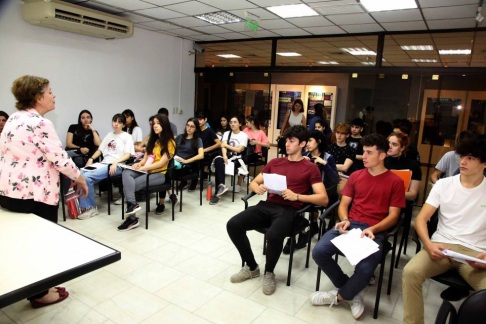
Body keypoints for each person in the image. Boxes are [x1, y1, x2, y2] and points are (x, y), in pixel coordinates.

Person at [0, 75, 88, 309]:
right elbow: (60, 158)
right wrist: (80, 178)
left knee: (24, 244)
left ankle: (35, 287)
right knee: (41, 244)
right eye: (50, 91)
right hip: (35, 195)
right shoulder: (40, 123)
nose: (54, 94)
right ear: (38, 97)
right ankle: (40, 294)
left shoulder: (13, 120)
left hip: (11, 193)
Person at [311, 134, 406, 320]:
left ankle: (339, 296)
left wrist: (374, 229)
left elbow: (394, 216)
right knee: (319, 251)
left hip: (374, 230)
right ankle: (352, 291)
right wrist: (345, 219)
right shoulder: (356, 176)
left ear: (382, 156)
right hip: (351, 225)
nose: (364, 156)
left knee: (365, 269)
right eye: (363, 152)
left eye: (369, 152)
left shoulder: (395, 182)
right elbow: (344, 204)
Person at [226, 125, 328, 295]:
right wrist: (255, 187)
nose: (287, 144)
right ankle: (252, 267)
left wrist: (297, 196)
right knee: (233, 224)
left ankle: (269, 273)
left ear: (302, 144)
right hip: (267, 206)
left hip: (289, 210)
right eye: (286, 140)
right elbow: (254, 182)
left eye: (292, 141)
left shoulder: (310, 167)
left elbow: (323, 198)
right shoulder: (275, 162)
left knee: (273, 234)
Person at [402, 134, 486, 324]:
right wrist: (428, 244)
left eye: (471, 158)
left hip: (476, 253)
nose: (463, 161)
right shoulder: (443, 184)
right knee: (411, 272)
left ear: (484, 163)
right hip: (442, 246)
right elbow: (421, 220)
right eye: (462, 156)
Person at [283, 130, 339, 254]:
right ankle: (297, 234)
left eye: (310, 140)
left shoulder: (328, 157)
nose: (307, 144)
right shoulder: (304, 155)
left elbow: (335, 179)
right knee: (291, 201)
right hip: (305, 192)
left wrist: (325, 165)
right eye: (306, 141)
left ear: (318, 142)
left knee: (299, 202)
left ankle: (300, 232)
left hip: (321, 193)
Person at [119, 114, 176, 231]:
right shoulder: (153, 140)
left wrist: (145, 167)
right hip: (147, 170)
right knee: (126, 173)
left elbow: (161, 164)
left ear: (164, 125)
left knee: (128, 187)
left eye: (158, 123)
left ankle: (132, 219)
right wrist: (139, 164)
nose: (155, 126)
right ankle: (132, 209)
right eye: (154, 123)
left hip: (159, 174)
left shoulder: (170, 143)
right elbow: (145, 158)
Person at [77, 114, 134, 220]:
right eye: (114, 121)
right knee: (81, 173)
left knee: (87, 177)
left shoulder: (127, 136)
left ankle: (90, 208)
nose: (116, 124)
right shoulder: (109, 135)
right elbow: (100, 150)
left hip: (118, 166)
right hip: (103, 164)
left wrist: (115, 162)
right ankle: (82, 205)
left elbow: (127, 154)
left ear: (123, 124)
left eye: (119, 122)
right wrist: (91, 159)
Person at [209, 116, 248, 205]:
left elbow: (239, 150)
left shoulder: (244, 135)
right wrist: (224, 156)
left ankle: (217, 193)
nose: (232, 124)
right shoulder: (227, 133)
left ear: (240, 124)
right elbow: (222, 146)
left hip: (237, 159)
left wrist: (226, 145)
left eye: (235, 122)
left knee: (220, 166)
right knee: (218, 160)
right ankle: (221, 187)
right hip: (227, 156)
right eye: (231, 122)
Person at [385, 132, 422, 202]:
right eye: (388, 143)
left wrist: (390, 194)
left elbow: (413, 195)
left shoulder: (413, 165)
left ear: (402, 148)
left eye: (394, 144)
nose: (389, 146)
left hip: (402, 204)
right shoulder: (381, 162)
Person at [172, 117, 204, 196]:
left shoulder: (197, 140)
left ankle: (171, 192)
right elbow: (172, 148)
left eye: (192, 126)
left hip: (186, 164)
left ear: (196, 129)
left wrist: (186, 161)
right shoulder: (180, 137)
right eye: (187, 125)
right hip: (176, 160)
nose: (189, 128)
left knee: (170, 171)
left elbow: (201, 155)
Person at [239, 115, 270, 191]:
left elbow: (268, 145)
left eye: (247, 122)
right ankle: (245, 177)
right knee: (242, 158)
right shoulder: (246, 130)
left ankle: (240, 182)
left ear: (252, 122)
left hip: (255, 154)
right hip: (245, 153)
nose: (246, 124)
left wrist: (256, 142)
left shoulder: (260, 133)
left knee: (242, 159)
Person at [327, 123, 355, 194]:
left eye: (342, 133)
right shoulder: (329, 147)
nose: (339, 135)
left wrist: (329, 166)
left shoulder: (351, 150)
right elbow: (323, 163)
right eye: (337, 133)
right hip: (329, 174)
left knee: (342, 190)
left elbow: (345, 167)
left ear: (347, 135)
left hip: (343, 176)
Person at [196, 110, 221, 179]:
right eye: (198, 119)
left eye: (201, 119)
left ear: (205, 120)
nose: (199, 121)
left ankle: (204, 171)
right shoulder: (196, 130)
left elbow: (219, 143)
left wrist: (205, 150)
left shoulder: (210, 131)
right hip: (198, 150)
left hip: (206, 151)